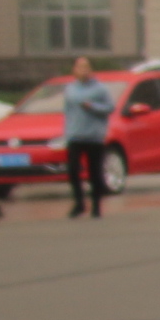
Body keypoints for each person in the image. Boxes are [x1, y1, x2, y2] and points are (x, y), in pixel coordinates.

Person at [61, 55, 119, 217]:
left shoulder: (100, 89)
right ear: (74, 70)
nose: (83, 70)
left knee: (95, 172)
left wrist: (92, 106)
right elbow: (68, 112)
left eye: (86, 67)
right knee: (73, 170)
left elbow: (110, 107)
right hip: (75, 136)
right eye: (80, 67)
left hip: (94, 137)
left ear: (91, 70)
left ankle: (96, 205)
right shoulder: (70, 89)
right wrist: (67, 131)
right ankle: (79, 203)